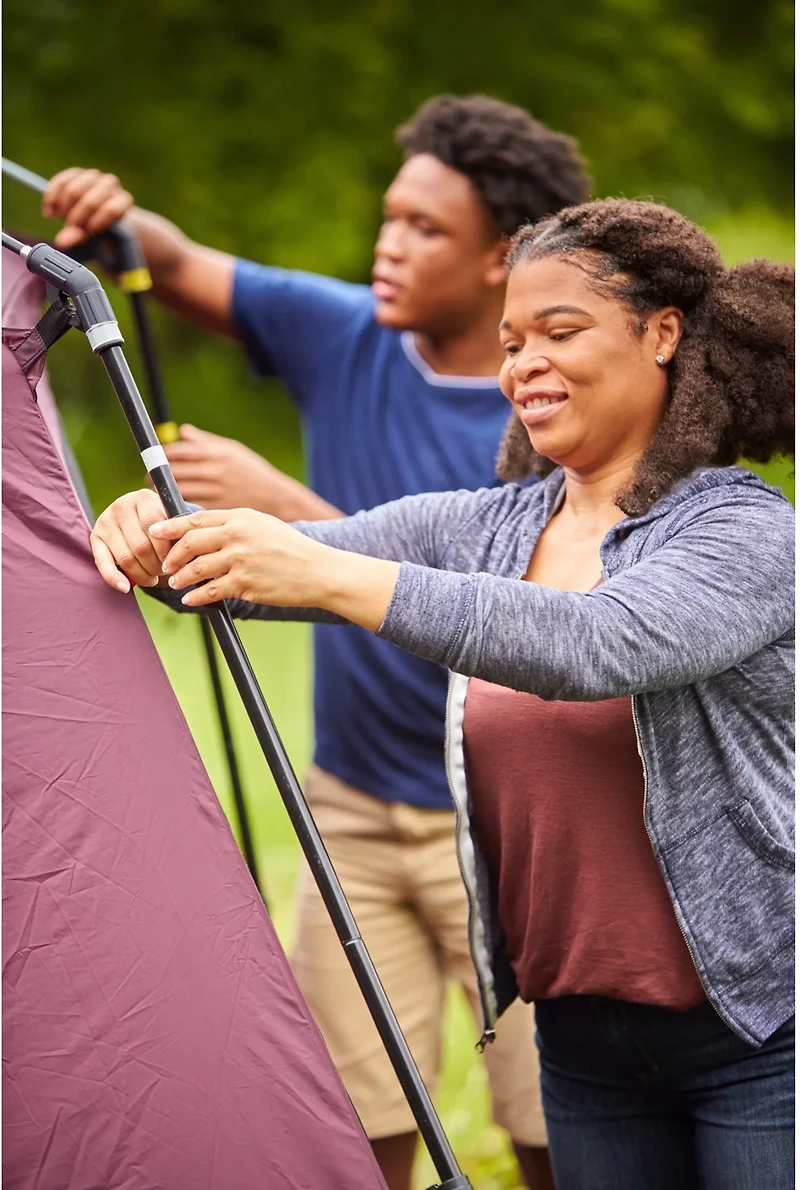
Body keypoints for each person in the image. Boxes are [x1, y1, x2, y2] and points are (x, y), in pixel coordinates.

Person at [91, 197, 794, 1190]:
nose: (524, 364)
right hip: (582, 1046)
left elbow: (596, 643)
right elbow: (263, 570)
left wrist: (326, 573)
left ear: (662, 332)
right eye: (511, 342)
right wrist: (151, 535)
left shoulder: (746, 533)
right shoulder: (487, 527)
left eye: (560, 331)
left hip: (761, 1037)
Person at [46, 95, 592, 1189]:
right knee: (346, 1127)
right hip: (349, 813)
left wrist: (286, 513)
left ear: (501, 259)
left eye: (426, 229)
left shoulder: (549, 406)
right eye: (390, 216)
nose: (389, 244)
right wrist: (114, 218)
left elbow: (517, 625)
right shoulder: (344, 331)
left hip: (512, 824)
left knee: (555, 1138)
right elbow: (174, 263)